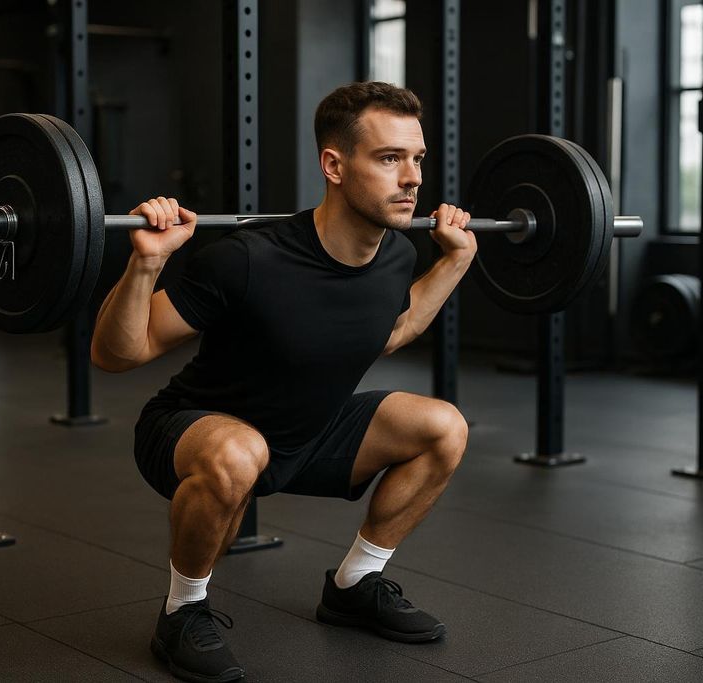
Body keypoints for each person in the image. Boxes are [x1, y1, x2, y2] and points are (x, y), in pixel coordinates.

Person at [91, 81, 477, 683]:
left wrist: (453, 262)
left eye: (417, 159)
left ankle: (354, 585)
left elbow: (389, 330)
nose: (413, 179)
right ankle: (182, 612)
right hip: (199, 429)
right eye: (389, 158)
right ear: (334, 165)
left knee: (443, 427)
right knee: (240, 452)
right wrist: (146, 260)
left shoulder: (397, 256)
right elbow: (119, 353)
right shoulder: (246, 259)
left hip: (310, 432)